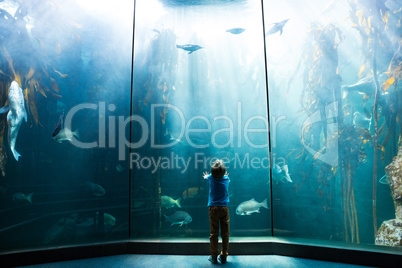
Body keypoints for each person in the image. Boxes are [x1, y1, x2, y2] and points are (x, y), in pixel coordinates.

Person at [203, 159, 230, 264]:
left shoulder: (210, 178)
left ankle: (214, 256)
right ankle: (224, 256)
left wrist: (207, 176)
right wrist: (223, 174)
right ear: (224, 172)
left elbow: (206, 177)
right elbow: (224, 176)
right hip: (224, 208)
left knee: (214, 233)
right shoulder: (227, 179)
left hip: (213, 208)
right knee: (225, 233)